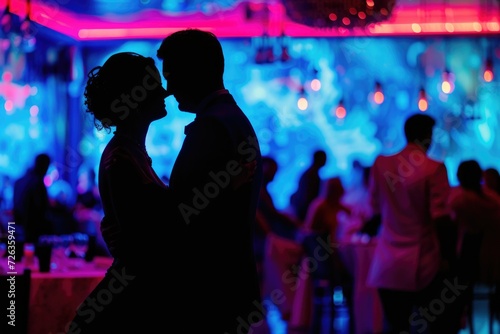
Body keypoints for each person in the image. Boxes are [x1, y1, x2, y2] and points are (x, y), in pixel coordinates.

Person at [157, 28, 264, 333]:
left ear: (194, 71)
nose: (168, 87)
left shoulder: (212, 126)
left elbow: (186, 213)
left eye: (172, 74)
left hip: (207, 291)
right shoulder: (231, 119)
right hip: (227, 287)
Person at [68, 52, 175, 334]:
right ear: (134, 98)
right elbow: (141, 245)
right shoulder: (122, 158)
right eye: (153, 86)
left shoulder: (129, 151)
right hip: (131, 304)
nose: (165, 91)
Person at [366, 113, 456, 334]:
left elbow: (374, 210)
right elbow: (440, 218)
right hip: (424, 263)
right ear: (427, 136)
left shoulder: (380, 164)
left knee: (395, 326)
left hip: (387, 264)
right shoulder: (434, 168)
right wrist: (450, 258)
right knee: (433, 326)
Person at [13, 153, 53, 257]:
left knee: (19, 265)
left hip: (17, 230)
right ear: (45, 165)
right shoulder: (37, 183)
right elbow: (41, 210)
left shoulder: (20, 181)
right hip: (34, 232)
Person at [290, 149, 327, 223]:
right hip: (304, 213)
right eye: (324, 158)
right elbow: (307, 197)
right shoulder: (311, 175)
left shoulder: (310, 174)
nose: (326, 161)